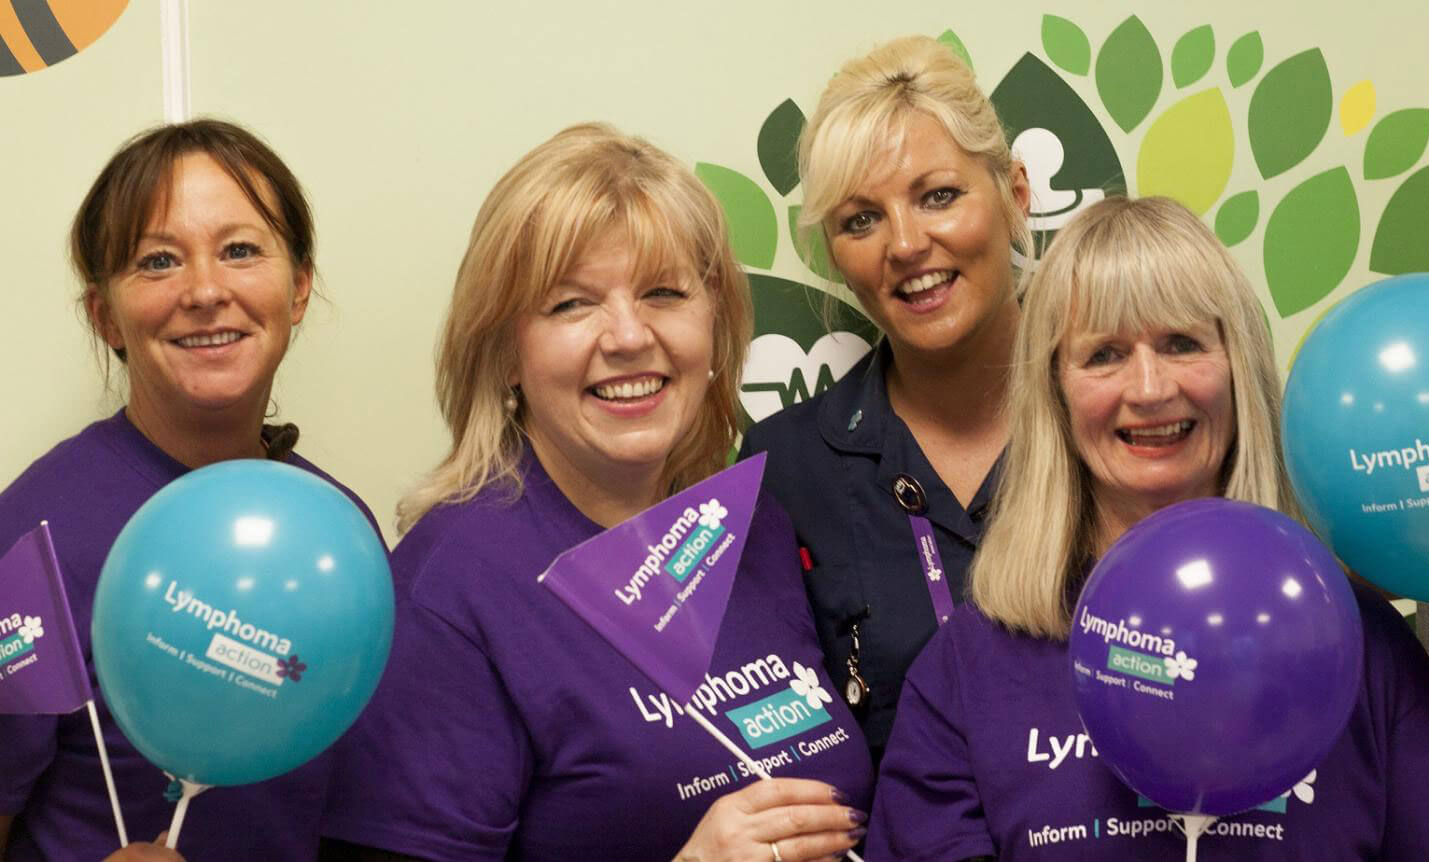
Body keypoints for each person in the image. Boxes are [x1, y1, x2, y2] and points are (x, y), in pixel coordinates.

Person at [866, 196, 1429, 860]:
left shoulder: (1361, 646)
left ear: (1238, 371)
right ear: (1055, 393)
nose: (1149, 388)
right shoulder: (971, 669)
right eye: (1104, 355)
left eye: (1182, 344)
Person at [318, 124, 871, 861]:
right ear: (506, 352)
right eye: (572, 305)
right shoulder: (448, 589)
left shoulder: (753, 525)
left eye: (664, 292)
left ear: (716, 325)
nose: (628, 336)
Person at [0, 120, 379, 860]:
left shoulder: (342, 536)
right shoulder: (32, 540)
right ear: (104, 313)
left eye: (240, 250)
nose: (206, 290)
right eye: (158, 261)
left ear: (298, 287)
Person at [737, 34, 1032, 764]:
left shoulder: (1119, 414)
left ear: (1015, 195)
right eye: (860, 219)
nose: (904, 244)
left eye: (939, 195)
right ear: (833, 252)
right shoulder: (785, 465)